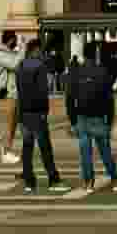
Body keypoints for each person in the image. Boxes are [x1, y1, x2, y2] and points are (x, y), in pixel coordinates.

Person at [16, 38, 69, 194]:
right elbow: (42, 92)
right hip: (37, 112)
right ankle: (53, 178)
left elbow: (19, 90)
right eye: (40, 51)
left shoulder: (21, 65)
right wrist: (45, 111)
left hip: (24, 112)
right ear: (36, 50)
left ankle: (29, 181)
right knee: (45, 147)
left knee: (27, 148)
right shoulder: (39, 66)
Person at [66, 41, 117, 193]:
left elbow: (69, 97)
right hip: (99, 116)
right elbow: (109, 99)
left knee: (85, 152)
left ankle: (88, 182)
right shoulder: (102, 71)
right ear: (95, 54)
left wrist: (72, 119)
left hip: (81, 117)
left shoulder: (76, 72)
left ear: (83, 54)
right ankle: (114, 177)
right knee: (105, 150)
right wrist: (110, 120)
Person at [0, 30, 23, 166]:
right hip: (6, 94)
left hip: (14, 94)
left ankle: (8, 150)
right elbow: (15, 65)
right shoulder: (1, 54)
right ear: (10, 40)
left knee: (12, 125)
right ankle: (5, 152)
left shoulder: (11, 53)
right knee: (7, 125)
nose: (17, 42)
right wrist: (22, 49)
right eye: (15, 40)